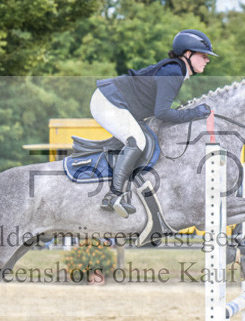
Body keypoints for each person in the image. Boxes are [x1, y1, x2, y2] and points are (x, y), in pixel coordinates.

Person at [90, 29, 216, 217]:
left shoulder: (176, 71)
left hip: (117, 102)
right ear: (188, 54)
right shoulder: (173, 72)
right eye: (203, 55)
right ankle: (114, 195)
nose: (207, 60)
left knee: (145, 138)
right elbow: (162, 112)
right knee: (137, 142)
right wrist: (195, 113)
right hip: (108, 101)